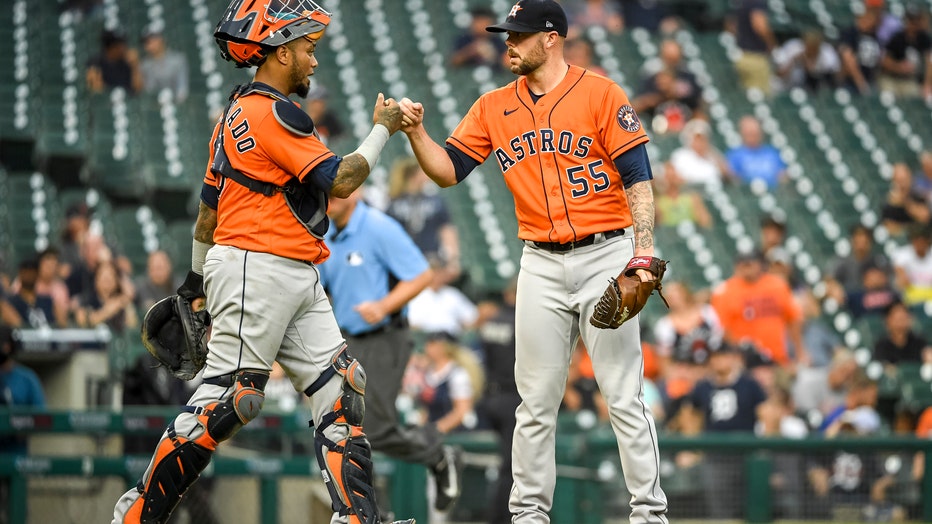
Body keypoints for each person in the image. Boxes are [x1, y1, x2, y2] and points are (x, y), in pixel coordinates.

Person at [109, 2, 411, 523]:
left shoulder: (236, 113)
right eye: (308, 49)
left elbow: (208, 211)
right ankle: (137, 513)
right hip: (257, 262)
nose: (314, 61)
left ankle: (357, 519)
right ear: (282, 49)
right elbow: (340, 181)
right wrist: (383, 127)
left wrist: (195, 281)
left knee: (341, 387)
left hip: (289, 269)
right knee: (231, 397)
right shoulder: (272, 111)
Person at [397, 1, 669, 521]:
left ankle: (649, 515)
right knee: (535, 405)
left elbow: (638, 177)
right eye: (508, 35)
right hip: (539, 261)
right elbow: (449, 171)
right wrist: (415, 134)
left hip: (606, 252)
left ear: (551, 38)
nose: (509, 43)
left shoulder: (601, 93)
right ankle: (528, 516)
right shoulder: (492, 105)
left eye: (519, 36)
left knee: (623, 397)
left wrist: (642, 251)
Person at [316, 187, 462, 514]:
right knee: (342, 428)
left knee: (375, 429)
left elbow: (422, 274)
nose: (327, 202)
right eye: (323, 195)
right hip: (347, 341)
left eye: (334, 195)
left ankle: (436, 455)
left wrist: (384, 305)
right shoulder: (327, 232)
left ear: (352, 194)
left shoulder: (379, 226)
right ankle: (367, 511)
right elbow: (320, 286)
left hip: (385, 338)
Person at [711, 247, 808, 369]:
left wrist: (800, 351)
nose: (747, 266)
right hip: (743, 361)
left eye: (750, 262)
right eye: (743, 263)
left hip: (777, 358)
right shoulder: (725, 291)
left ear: (761, 264)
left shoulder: (777, 285)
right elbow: (722, 330)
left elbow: (793, 319)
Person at [475, 278, 520, 524]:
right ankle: (501, 518)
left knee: (506, 463)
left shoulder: (491, 322)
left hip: (491, 396)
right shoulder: (521, 321)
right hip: (513, 396)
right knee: (512, 466)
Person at [386, 157, 461, 274]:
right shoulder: (394, 202)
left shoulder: (435, 201)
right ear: (414, 175)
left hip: (432, 263)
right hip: (405, 262)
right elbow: (389, 234)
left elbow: (446, 229)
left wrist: (453, 258)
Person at [878, 5, 932, 98]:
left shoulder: (924, 38)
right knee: (887, 96)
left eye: (916, 20)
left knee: (918, 97)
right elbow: (884, 60)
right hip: (892, 78)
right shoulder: (897, 38)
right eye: (911, 20)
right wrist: (898, 67)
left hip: (910, 80)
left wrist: (927, 84)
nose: (914, 24)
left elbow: (929, 61)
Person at [669, 118, 732, 191]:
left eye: (703, 139)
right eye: (697, 139)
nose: (700, 143)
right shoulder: (680, 156)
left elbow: (728, 177)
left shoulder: (714, 155)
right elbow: (674, 179)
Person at [726, 115, 787, 190]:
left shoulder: (771, 153)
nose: (753, 137)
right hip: (747, 195)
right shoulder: (735, 155)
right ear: (742, 134)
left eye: (755, 133)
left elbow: (782, 176)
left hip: (772, 192)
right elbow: (733, 179)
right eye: (749, 134)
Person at [773, 29, 842, 93]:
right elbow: (778, 74)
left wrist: (812, 70)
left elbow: (837, 78)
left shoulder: (827, 52)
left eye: (814, 47)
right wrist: (793, 61)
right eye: (808, 46)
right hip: (785, 87)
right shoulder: (793, 47)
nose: (810, 50)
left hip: (811, 91)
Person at [732, 0, 777, 96]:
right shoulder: (757, 3)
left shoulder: (742, 3)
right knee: (760, 99)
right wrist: (772, 44)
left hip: (742, 56)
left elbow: (731, 26)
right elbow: (760, 26)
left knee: (745, 99)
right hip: (756, 59)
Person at [653, 161, 713, 229]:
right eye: (671, 177)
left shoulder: (693, 198)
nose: (676, 177)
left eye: (675, 175)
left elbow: (705, 222)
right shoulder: (657, 202)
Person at [3, 258, 57, 329]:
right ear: (20, 274)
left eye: (32, 272)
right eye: (26, 272)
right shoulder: (11, 302)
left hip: (48, 338)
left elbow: (57, 325)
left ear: (37, 274)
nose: (29, 276)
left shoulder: (47, 301)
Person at [839, 9, 882, 96]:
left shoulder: (874, 36)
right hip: (851, 82)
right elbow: (848, 58)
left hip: (869, 80)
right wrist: (860, 82)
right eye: (868, 19)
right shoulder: (851, 33)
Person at [86, 28, 143, 94]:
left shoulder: (128, 63)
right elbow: (96, 91)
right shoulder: (95, 63)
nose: (124, 47)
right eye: (120, 45)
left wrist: (135, 66)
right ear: (111, 47)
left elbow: (137, 90)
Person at [139, 28, 189, 102]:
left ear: (160, 39)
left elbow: (182, 89)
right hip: (153, 106)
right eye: (146, 43)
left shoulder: (178, 59)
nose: (148, 45)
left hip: (177, 104)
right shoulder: (144, 65)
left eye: (150, 41)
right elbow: (148, 90)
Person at [891, 224, 932, 306]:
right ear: (912, 241)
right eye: (917, 240)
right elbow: (902, 279)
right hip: (910, 296)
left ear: (928, 240)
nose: (920, 244)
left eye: (922, 240)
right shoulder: (902, 255)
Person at [133, 249, 181, 314]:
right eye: (153, 269)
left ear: (168, 267)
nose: (157, 273)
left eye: (160, 268)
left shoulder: (179, 288)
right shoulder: (140, 287)